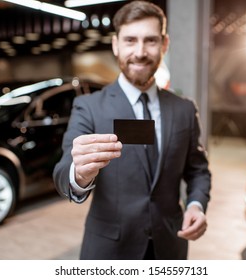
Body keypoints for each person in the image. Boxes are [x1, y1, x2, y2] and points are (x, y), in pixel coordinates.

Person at [53, 0, 211, 260]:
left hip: (170, 246)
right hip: (109, 251)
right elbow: (63, 170)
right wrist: (78, 174)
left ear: (164, 44)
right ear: (116, 44)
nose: (140, 52)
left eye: (150, 40)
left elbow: (198, 170)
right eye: (130, 40)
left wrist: (196, 204)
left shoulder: (184, 109)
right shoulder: (89, 107)